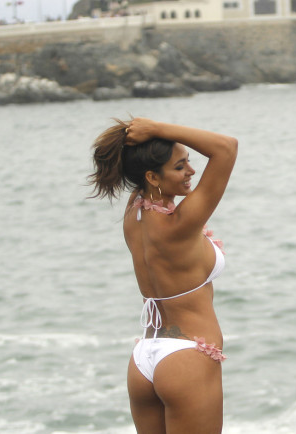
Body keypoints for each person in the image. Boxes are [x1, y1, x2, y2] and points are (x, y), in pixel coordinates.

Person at [88, 117, 238, 433]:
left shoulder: (134, 211)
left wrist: (150, 136)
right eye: (180, 166)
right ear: (153, 176)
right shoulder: (180, 224)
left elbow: (141, 170)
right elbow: (226, 148)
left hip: (144, 359)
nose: (192, 171)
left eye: (189, 162)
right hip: (186, 359)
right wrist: (157, 129)